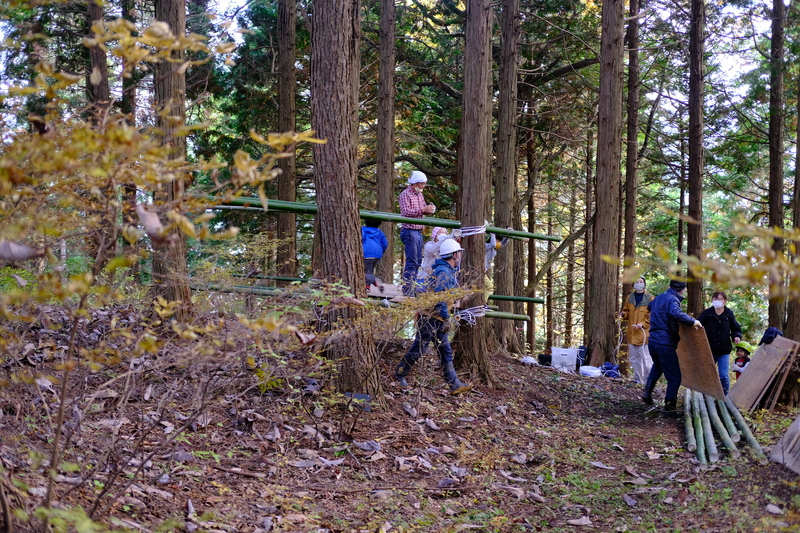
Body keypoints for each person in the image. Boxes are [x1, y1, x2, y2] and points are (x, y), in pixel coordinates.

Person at [394, 239, 472, 395]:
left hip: (437, 318)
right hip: (430, 318)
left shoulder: (446, 270)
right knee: (419, 348)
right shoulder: (443, 272)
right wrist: (447, 317)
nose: (460, 256)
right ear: (453, 255)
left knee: (445, 350)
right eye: (459, 253)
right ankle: (399, 375)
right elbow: (439, 298)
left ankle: (454, 384)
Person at [642, 280, 703, 417]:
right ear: (682, 290)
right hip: (665, 342)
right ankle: (669, 410)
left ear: (670, 287)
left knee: (658, 367)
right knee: (674, 378)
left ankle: (647, 392)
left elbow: (650, 306)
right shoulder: (673, 299)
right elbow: (675, 313)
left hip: (653, 341)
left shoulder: (659, 297)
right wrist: (693, 321)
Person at [398, 171, 436, 296]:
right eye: (422, 184)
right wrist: (422, 210)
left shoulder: (420, 195)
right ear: (415, 183)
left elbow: (422, 209)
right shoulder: (405, 195)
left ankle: (411, 287)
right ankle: (407, 289)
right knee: (412, 261)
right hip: (409, 231)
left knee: (418, 260)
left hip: (418, 231)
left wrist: (428, 210)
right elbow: (406, 212)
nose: (423, 186)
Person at [697, 291, 742, 395]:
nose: (717, 301)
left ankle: (725, 397)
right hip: (709, 349)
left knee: (724, 375)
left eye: (720, 299)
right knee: (707, 374)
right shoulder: (707, 313)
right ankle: (706, 396)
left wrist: (736, 336)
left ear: (725, 301)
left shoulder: (728, 314)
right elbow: (697, 326)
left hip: (724, 349)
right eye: (715, 299)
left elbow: (736, 328)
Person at [620, 276, 654, 384]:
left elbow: (652, 315)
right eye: (636, 282)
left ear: (644, 284)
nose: (639, 283)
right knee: (634, 359)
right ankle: (639, 380)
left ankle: (649, 382)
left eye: (641, 282)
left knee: (646, 359)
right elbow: (626, 311)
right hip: (632, 333)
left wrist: (642, 324)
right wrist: (623, 314)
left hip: (644, 334)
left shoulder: (650, 298)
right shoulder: (630, 297)